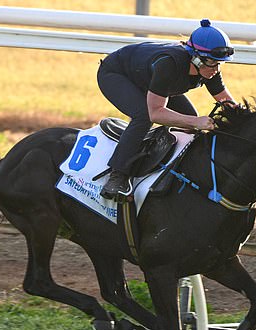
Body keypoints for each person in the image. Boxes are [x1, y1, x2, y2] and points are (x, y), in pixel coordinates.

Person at [97, 18, 237, 200]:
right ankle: (117, 176)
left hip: (148, 76)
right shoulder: (169, 65)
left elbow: (226, 101)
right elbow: (156, 112)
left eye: (221, 63)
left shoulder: (209, 67)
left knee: (188, 118)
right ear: (195, 57)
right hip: (116, 73)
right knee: (144, 116)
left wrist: (245, 119)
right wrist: (197, 122)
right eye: (212, 62)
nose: (216, 69)